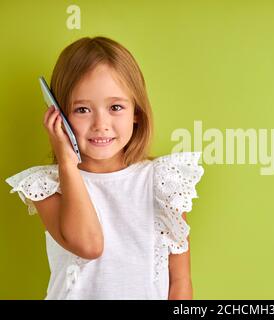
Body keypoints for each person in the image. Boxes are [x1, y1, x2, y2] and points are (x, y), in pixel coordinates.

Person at [5, 36, 204, 300]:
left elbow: (180, 282)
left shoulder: (164, 181)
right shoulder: (47, 187)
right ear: (59, 116)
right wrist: (67, 162)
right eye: (83, 109)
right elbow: (89, 245)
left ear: (136, 112)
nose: (101, 124)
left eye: (115, 107)